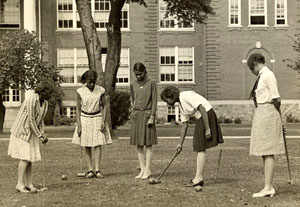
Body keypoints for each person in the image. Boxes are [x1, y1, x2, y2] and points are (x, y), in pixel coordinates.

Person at [160, 86, 223, 187]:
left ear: (171, 96)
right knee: (199, 147)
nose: (167, 103)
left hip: (206, 115)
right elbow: (184, 125)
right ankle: (199, 177)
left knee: (200, 147)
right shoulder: (180, 105)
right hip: (200, 118)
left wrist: (207, 128)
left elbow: (202, 108)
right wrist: (180, 144)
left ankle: (198, 178)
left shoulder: (185, 96)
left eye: (166, 100)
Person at [247, 53, 284, 198]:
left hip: (268, 112)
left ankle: (268, 187)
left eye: (251, 68)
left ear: (256, 63)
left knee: (268, 150)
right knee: (264, 150)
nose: (252, 71)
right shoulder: (262, 76)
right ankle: (267, 186)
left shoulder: (268, 75)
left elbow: (276, 98)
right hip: (262, 113)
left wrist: (277, 116)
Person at [8, 81, 54, 193]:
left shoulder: (45, 103)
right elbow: (31, 119)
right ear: (43, 92)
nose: (50, 95)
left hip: (31, 132)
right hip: (22, 131)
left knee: (29, 159)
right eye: (48, 93)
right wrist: (39, 135)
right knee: (25, 157)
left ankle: (28, 184)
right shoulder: (32, 99)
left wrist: (42, 134)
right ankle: (19, 184)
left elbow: (40, 120)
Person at [72, 70, 112, 179]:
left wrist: (103, 121)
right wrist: (79, 125)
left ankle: (97, 170)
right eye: (90, 82)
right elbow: (78, 108)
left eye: (94, 82)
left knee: (97, 144)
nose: (92, 84)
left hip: (97, 118)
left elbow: (104, 106)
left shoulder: (100, 90)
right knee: (87, 144)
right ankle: (90, 169)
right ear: (85, 81)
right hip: (85, 118)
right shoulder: (80, 91)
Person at [130, 62, 157, 179]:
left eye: (140, 74)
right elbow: (132, 98)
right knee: (139, 143)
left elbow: (154, 100)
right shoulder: (133, 84)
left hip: (147, 115)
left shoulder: (152, 83)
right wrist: (133, 111)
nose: (138, 76)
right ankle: (142, 169)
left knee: (148, 143)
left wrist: (152, 116)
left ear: (145, 71)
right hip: (137, 115)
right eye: (136, 74)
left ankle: (148, 169)